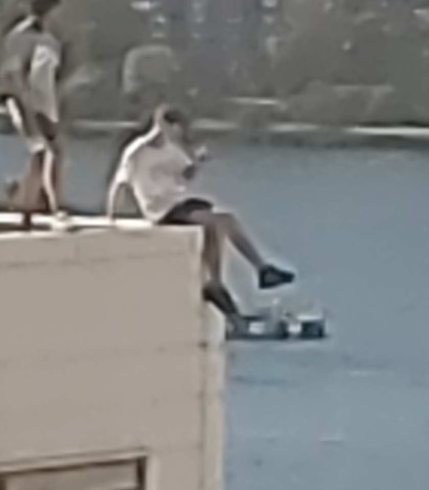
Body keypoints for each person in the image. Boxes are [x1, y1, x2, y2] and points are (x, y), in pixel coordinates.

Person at [107, 105, 295, 336]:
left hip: (177, 202)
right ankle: (221, 282)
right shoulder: (138, 151)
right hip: (158, 209)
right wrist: (111, 214)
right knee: (214, 221)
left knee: (225, 219)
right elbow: (120, 183)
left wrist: (196, 163)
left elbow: (184, 175)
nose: (174, 135)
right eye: (170, 129)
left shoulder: (173, 150)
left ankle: (255, 270)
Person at [0, 0, 66, 226]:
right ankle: (41, 205)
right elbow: (16, 75)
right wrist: (28, 107)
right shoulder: (22, 38)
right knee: (44, 152)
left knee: (48, 154)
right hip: (27, 103)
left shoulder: (49, 39)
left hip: (44, 105)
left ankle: (31, 202)